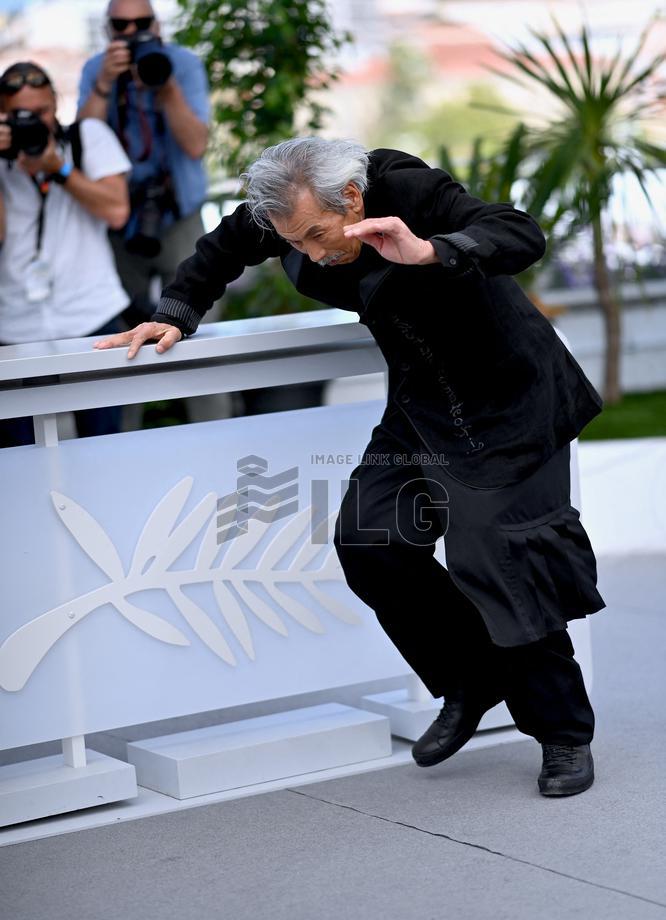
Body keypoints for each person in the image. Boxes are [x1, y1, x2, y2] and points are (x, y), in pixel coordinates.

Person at [92, 136, 608, 798]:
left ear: (354, 199)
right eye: (293, 242)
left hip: (510, 398)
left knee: (501, 560)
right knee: (370, 539)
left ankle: (564, 733)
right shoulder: (283, 211)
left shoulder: (408, 189)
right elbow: (220, 250)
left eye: (314, 235)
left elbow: (517, 233)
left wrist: (432, 250)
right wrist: (174, 314)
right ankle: (470, 678)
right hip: (422, 403)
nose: (307, 251)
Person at [0, 61, 131, 446]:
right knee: (18, 458)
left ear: (55, 103)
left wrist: (60, 169)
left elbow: (117, 211)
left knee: (105, 446)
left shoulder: (87, 136)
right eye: (18, 115)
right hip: (15, 325)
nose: (33, 123)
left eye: (40, 112)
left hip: (92, 317)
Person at [77, 0, 215, 327]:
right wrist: (104, 85)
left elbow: (195, 145)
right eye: (120, 25)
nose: (131, 33)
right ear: (107, 29)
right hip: (122, 216)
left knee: (197, 316)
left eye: (141, 24)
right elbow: (82, 142)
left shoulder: (182, 64)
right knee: (124, 324)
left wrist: (166, 88)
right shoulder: (97, 69)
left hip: (179, 211)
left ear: (156, 26)